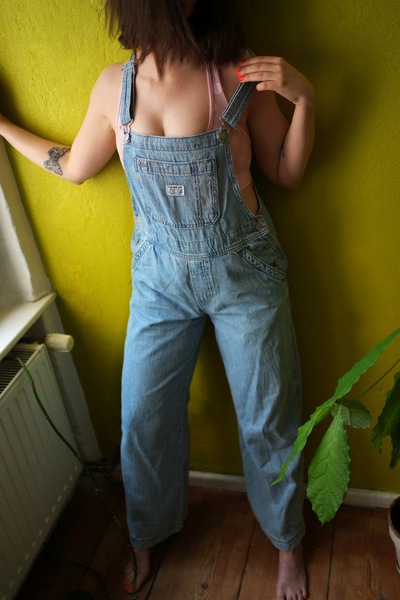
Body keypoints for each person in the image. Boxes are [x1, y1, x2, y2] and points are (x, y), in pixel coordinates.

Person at [0, 1, 314, 598]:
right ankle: (146, 538)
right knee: (144, 419)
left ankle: (287, 542)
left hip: (245, 274)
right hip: (159, 283)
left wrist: (305, 100)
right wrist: (1, 124)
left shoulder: (236, 72)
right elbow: (75, 166)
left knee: (268, 417)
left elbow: (287, 172)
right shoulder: (113, 87)